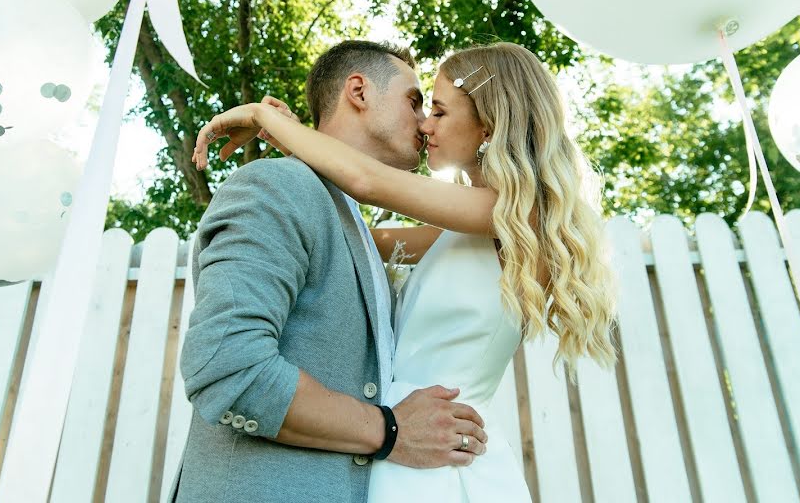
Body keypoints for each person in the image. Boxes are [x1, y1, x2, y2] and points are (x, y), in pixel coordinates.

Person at [193, 41, 619, 502]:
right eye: (420, 105)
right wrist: (299, 144)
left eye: (437, 111)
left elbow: (368, 182)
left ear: (489, 125)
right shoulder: (465, 229)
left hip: (435, 454)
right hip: (399, 446)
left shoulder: (514, 215)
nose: (424, 124)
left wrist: (266, 118)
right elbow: (352, 239)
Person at [171, 41, 489, 503]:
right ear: (358, 90)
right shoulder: (276, 185)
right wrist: (390, 429)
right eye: (415, 100)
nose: (424, 123)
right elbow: (227, 368)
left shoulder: (353, 223)